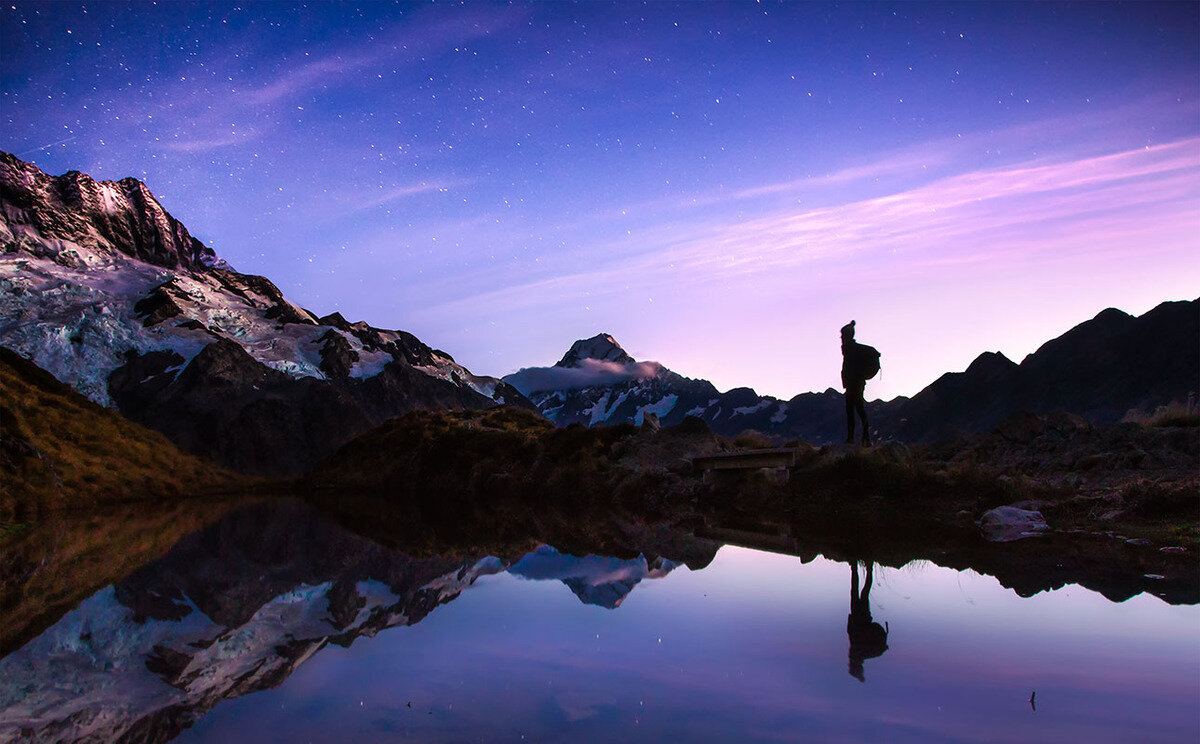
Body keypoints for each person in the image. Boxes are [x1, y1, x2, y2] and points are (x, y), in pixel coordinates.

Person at [846, 561, 889, 682]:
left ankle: (863, 567)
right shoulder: (860, 653)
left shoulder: (860, 654)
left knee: (861, 592)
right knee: (860, 592)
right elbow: (852, 633)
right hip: (860, 616)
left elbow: (851, 633)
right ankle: (860, 566)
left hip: (859, 616)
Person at [840, 320, 870, 446]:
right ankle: (861, 438)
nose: (841, 338)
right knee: (856, 410)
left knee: (855, 410)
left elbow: (848, 368)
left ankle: (861, 438)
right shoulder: (849, 349)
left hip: (855, 384)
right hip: (854, 384)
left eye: (842, 336)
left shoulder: (851, 350)